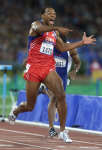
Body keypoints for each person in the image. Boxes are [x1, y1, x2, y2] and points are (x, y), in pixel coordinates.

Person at [8, 7, 96, 143]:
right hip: (34, 69)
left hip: (48, 68)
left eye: (54, 14)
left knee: (61, 95)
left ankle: (62, 131)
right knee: (30, 106)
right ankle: (16, 111)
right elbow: (40, 29)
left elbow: (63, 48)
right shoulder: (35, 25)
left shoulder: (54, 34)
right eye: (49, 13)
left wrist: (82, 43)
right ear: (42, 15)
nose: (52, 15)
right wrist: (57, 28)